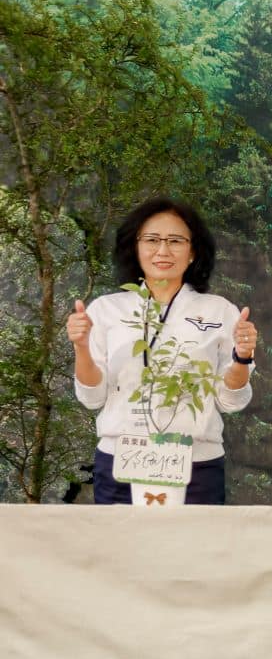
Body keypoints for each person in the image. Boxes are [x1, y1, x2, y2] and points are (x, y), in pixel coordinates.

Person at [68, 198, 258, 505]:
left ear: (193, 251)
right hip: (120, 463)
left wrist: (242, 357)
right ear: (135, 247)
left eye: (175, 241)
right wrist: (81, 347)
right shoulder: (106, 310)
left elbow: (230, 400)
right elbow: (92, 398)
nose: (163, 250)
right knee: (120, 539)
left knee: (191, 539)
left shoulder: (219, 311)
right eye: (152, 240)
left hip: (196, 465)